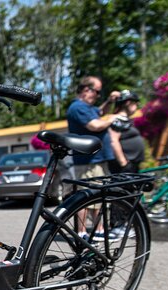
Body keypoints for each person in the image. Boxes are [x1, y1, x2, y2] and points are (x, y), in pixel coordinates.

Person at [66, 76, 120, 240]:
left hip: (96, 159)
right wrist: (113, 118)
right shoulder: (78, 107)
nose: (98, 95)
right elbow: (94, 125)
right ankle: (83, 233)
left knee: (98, 195)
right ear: (86, 90)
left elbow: (99, 112)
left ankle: (99, 230)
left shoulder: (87, 107)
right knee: (86, 196)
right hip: (88, 161)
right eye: (97, 91)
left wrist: (109, 102)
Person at [108, 90, 145, 174]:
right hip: (124, 166)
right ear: (128, 102)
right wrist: (124, 164)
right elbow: (113, 141)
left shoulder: (125, 120)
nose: (137, 106)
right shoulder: (118, 119)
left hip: (132, 164)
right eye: (135, 103)